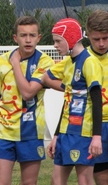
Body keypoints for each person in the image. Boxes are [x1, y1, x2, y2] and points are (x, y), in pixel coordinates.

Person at [0, 16, 55, 184]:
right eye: (23, 35)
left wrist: (16, 63)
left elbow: (28, 93)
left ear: (39, 37)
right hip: (3, 133)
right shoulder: (0, 62)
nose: (28, 40)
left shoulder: (44, 61)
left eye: (32, 35)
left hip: (31, 132)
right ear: (15, 38)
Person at [44, 10, 108, 185]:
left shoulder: (89, 62)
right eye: (96, 39)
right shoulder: (71, 63)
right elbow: (67, 100)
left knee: (90, 179)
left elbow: (96, 99)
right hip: (72, 129)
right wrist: (56, 134)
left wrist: (96, 136)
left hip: (88, 130)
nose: (55, 45)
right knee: (57, 180)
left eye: (58, 41)